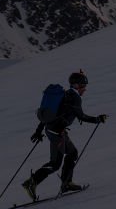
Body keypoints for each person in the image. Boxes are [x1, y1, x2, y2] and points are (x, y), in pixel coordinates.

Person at [22, 70, 108, 199]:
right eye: (83, 86)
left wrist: (38, 131)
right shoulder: (74, 97)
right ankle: (31, 182)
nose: (85, 90)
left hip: (55, 130)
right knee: (55, 163)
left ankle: (67, 183)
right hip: (57, 132)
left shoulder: (65, 95)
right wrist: (97, 119)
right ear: (77, 86)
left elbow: (50, 114)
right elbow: (81, 116)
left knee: (72, 153)